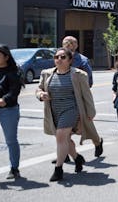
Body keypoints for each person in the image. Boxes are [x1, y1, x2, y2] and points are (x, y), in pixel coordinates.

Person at [36, 47, 96, 182]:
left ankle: (58, 169)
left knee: (61, 137)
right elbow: (39, 88)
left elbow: (87, 95)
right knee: (66, 140)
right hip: (54, 111)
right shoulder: (46, 73)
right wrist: (40, 94)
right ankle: (77, 158)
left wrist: (90, 112)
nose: (59, 59)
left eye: (63, 57)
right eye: (56, 57)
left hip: (71, 110)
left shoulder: (79, 75)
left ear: (70, 60)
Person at [61, 35, 103, 158]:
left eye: (70, 43)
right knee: (62, 127)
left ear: (76, 45)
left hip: (78, 99)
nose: (68, 45)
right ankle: (64, 153)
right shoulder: (59, 57)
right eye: (65, 43)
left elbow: (89, 82)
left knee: (85, 126)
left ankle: (98, 142)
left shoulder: (82, 61)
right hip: (62, 99)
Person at [0, 44, 24, 180]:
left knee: (11, 141)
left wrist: (5, 99)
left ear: (6, 57)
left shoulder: (13, 72)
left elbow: (14, 90)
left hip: (8, 110)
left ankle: (14, 169)